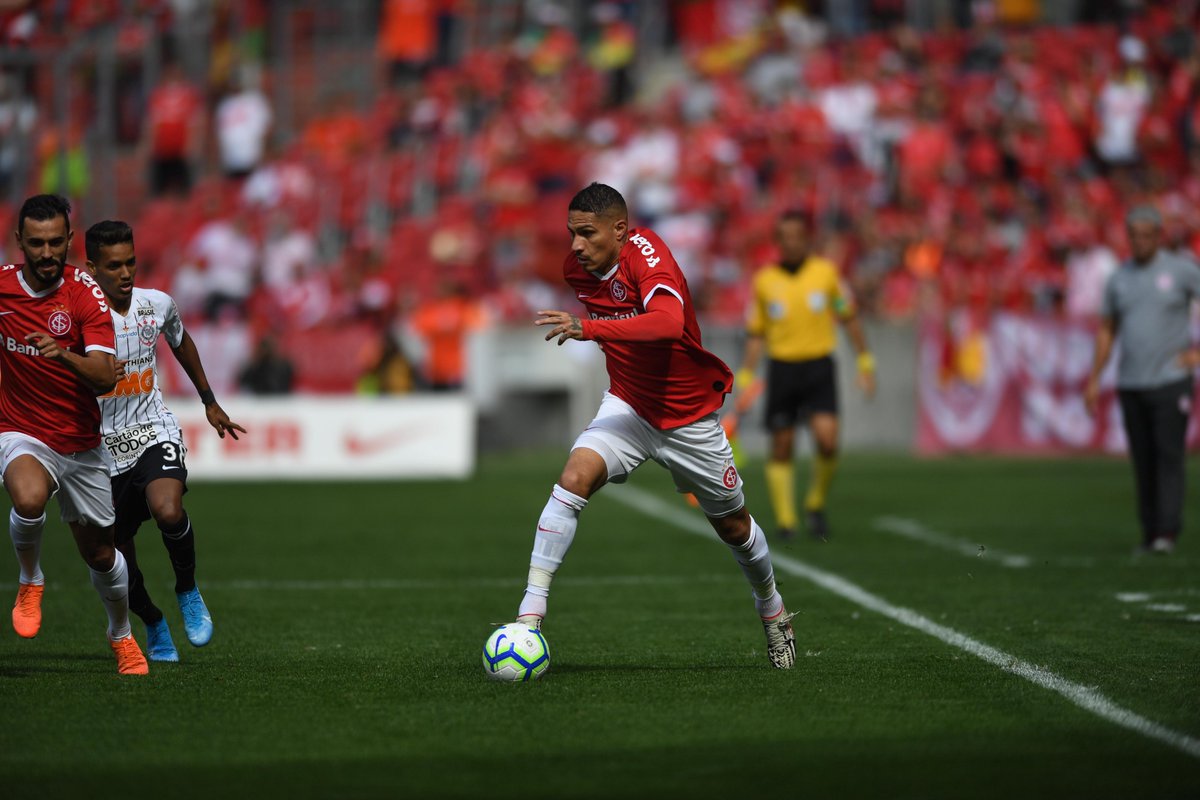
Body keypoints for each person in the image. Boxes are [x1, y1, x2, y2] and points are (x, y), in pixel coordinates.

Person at [513, 182, 797, 670]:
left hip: (688, 418)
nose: (576, 245)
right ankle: (528, 618)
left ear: (620, 230)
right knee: (573, 478)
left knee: (733, 526)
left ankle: (771, 608)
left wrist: (590, 327)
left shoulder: (648, 254)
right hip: (628, 406)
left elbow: (667, 323)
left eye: (586, 233)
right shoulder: (576, 270)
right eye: (571, 234)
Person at [85, 220, 246, 661]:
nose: (125, 273)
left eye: (130, 262)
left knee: (168, 509)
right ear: (92, 269)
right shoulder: (78, 320)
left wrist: (209, 401)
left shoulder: (156, 303)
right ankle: (153, 621)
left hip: (152, 429)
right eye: (113, 265)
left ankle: (188, 590)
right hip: (98, 451)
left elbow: (181, 339)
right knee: (115, 559)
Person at [2, 195, 148, 675]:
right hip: (21, 430)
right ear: (19, 241)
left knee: (102, 556)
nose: (47, 253)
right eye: (37, 243)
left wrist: (62, 354)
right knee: (27, 499)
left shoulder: (84, 294)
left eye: (55, 243)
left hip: (81, 442)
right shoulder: (2, 289)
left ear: (69, 239)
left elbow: (106, 377)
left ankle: (121, 635)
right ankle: (30, 580)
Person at [737, 210, 876, 542]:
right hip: (782, 367)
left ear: (807, 239)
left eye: (797, 236)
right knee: (782, 445)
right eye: (785, 238)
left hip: (818, 366)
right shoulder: (765, 281)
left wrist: (865, 362)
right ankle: (786, 522)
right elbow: (757, 333)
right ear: (778, 242)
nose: (791, 243)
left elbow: (849, 317)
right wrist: (746, 373)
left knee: (827, 441)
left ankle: (815, 503)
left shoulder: (826, 274)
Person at [1085, 206, 1200, 555]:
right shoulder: (1119, 278)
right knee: (1143, 458)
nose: (1140, 241)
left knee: (1168, 455)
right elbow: (1107, 329)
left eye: (1147, 234)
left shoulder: (1181, 271)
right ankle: (1150, 531)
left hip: (1171, 379)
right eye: (1134, 235)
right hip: (1131, 382)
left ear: (1159, 236)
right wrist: (1094, 377)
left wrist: (1196, 355)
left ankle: (1167, 531)